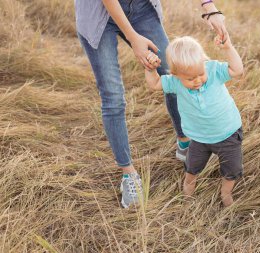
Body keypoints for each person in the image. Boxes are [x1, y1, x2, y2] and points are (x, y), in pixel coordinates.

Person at [74, 0, 227, 208]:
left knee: (174, 72)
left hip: (141, 8)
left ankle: (184, 142)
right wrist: (132, 36)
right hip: (97, 15)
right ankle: (128, 174)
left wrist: (210, 9)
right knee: (113, 97)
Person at [144, 35, 244, 207]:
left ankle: (226, 193)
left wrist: (227, 48)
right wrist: (151, 69)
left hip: (228, 133)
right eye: (190, 79)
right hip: (198, 137)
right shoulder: (175, 82)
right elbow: (154, 84)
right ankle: (188, 190)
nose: (197, 80)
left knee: (232, 170)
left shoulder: (213, 70)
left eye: (200, 74)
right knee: (192, 167)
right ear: (175, 75)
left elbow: (237, 70)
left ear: (204, 63)